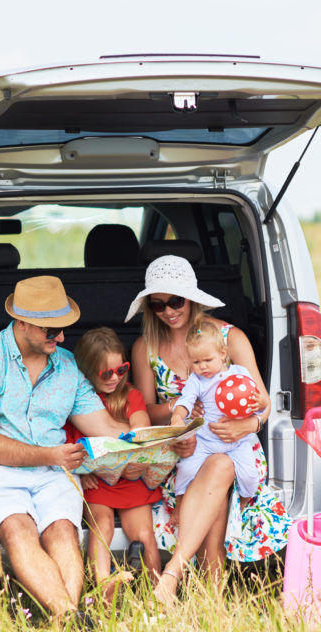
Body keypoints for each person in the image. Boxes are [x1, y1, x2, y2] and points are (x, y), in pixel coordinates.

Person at [0, 276, 128, 624]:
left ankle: (70, 621)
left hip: (54, 471)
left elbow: (106, 429)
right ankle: (70, 616)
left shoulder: (67, 366)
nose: (61, 338)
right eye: (51, 331)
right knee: (19, 529)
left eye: (63, 328)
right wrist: (51, 456)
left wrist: (155, 437)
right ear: (21, 322)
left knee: (64, 532)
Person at [126, 255, 285, 608]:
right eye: (158, 304)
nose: (168, 311)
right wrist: (176, 410)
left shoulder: (230, 337)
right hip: (180, 449)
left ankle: (173, 579)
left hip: (236, 444)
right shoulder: (145, 348)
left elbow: (263, 401)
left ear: (192, 297)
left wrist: (249, 424)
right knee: (213, 470)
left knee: (222, 465)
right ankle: (211, 602)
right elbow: (143, 410)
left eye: (176, 301)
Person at [64, 327, 162, 596]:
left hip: (130, 476)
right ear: (85, 368)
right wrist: (82, 473)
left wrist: (140, 445)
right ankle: (104, 586)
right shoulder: (77, 400)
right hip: (97, 478)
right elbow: (68, 446)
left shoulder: (130, 394)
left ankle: (159, 592)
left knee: (143, 533)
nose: (114, 378)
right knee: (101, 526)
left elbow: (141, 425)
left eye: (121, 370)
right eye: (106, 373)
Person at [169, 321, 268, 506]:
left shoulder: (240, 372)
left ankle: (244, 502)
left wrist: (261, 403)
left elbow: (258, 401)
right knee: (185, 470)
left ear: (222, 354)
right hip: (206, 440)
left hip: (238, 442)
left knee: (250, 476)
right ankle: (180, 501)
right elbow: (185, 401)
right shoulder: (196, 380)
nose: (202, 367)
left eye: (207, 360)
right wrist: (177, 417)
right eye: (196, 362)